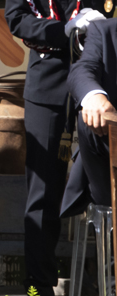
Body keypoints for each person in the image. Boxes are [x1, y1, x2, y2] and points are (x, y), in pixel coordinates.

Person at [5, 0, 117, 296]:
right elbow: (17, 17)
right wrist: (63, 29)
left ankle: (104, 276)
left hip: (102, 75)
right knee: (42, 187)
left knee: (105, 178)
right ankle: (40, 281)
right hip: (50, 73)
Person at [66, 16, 117, 215]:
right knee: (91, 120)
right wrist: (94, 96)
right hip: (111, 155)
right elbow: (82, 70)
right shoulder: (104, 31)